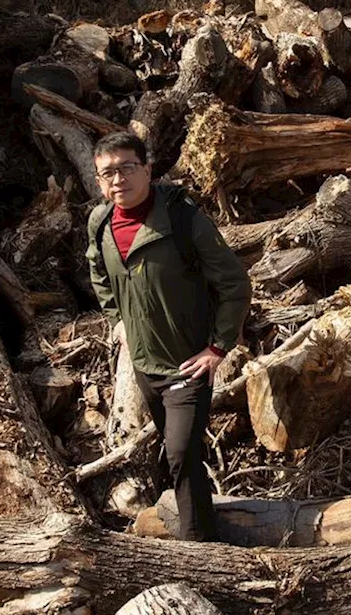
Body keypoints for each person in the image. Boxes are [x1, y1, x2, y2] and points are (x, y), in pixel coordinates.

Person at [86, 131, 252, 541]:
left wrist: (217, 347)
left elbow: (235, 284)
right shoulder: (101, 222)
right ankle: (189, 517)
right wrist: (117, 321)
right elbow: (98, 274)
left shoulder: (182, 220)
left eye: (127, 167)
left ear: (147, 168)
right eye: (108, 173)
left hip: (187, 365)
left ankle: (199, 551)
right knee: (174, 453)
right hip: (144, 366)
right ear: (98, 181)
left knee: (182, 454)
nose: (118, 180)